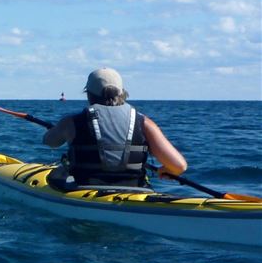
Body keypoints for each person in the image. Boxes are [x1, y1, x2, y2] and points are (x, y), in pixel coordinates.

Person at [42, 67, 185, 188]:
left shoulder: (71, 122)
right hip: (134, 190)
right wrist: (165, 170)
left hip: (84, 189)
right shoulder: (144, 122)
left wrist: (58, 131)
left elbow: (49, 142)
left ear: (89, 94)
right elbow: (179, 166)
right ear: (121, 93)